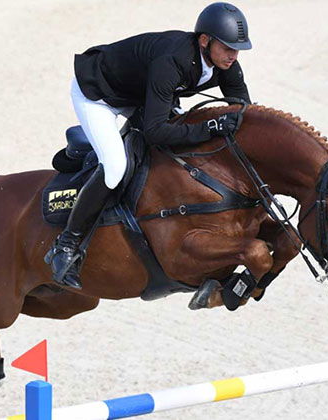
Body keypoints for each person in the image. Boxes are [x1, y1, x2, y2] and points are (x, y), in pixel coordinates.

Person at [45, 2, 253, 289]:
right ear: (204, 41)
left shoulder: (224, 63)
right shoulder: (173, 60)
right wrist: (209, 128)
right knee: (116, 168)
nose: (234, 55)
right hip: (99, 94)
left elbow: (244, 110)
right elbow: (155, 132)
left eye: (237, 49)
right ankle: (65, 245)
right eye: (228, 48)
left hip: (141, 94)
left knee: (179, 139)